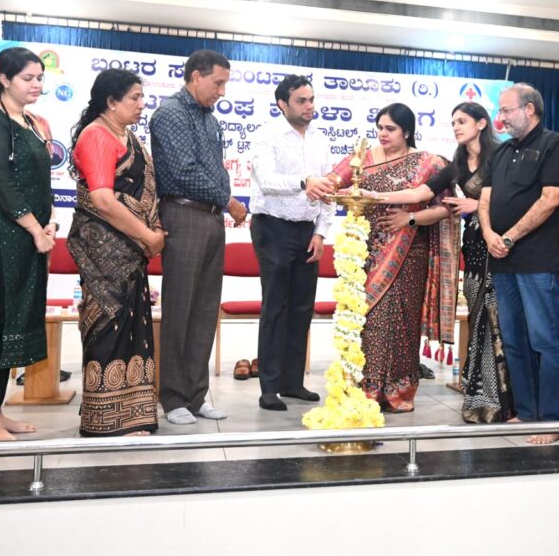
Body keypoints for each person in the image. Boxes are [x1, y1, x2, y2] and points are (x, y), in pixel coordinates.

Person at [364, 102, 512, 422]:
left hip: (502, 244)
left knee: (499, 322)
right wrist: (372, 197)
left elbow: (515, 198)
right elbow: (420, 193)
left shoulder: (501, 156)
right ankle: (480, 399)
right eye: (453, 121)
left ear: (482, 124)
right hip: (475, 247)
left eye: (462, 121)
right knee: (479, 323)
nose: (456, 127)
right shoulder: (457, 162)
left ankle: (507, 400)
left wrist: (477, 204)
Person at [327, 103, 458, 413]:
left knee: (400, 322)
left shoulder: (428, 163)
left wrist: (409, 219)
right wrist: (319, 185)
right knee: (368, 321)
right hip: (365, 251)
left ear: (407, 131)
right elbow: (333, 182)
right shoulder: (362, 158)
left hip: (409, 251)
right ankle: (365, 388)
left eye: (390, 129)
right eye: (379, 128)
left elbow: (446, 208)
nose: (382, 134)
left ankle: (399, 390)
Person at [149, 50, 247, 425]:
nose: (222, 91)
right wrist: (228, 201)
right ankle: (173, 397)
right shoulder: (171, 113)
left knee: (205, 311)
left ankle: (196, 394)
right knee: (180, 309)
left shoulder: (209, 118)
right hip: (183, 214)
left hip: (211, 217)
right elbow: (183, 171)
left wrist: (223, 202)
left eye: (225, 84)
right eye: (217, 83)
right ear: (195, 77)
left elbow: (214, 169)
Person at [67, 69, 165, 436]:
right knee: (109, 325)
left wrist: (150, 234)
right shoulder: (96, 135)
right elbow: (103, 200)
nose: (142, 105)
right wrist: (148, 235)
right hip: (104, 249)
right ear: (111, 102)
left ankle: (131, 413)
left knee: (130, 326)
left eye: (142, 97)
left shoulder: (127, 136)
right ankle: (104, 419)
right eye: (134, 98)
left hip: (130, 250)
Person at [478, 84, 559, 442]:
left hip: (536, 261)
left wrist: (509, 237)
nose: (500, 117)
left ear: (529, 109)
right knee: (514, 341)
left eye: (506, 110)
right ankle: (527, 412)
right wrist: (489, 234)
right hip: (502, 261)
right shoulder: (502, 151)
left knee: (545, 340)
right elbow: (485, 198)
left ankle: (551, 420)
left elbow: (550, 200)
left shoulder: (552, 144)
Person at [0, 47, 56, 442]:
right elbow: (0, 182)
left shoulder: (32, 121)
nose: (36, 84)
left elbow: (39, 180)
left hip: (29, 238)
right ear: (4, 79)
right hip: (3, 236)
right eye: (28, 78)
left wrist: (48, 222)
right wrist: (35, 228)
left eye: (40, 78)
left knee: (14, 326)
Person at [249, 75, 334, 412]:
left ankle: (292, 382)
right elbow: (267, 180)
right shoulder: (266, 135)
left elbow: (327, 190)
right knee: (276, 307)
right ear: (282, 104)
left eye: (311, 99)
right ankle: (269, 386)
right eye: (301, 100)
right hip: (273, 228)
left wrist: (320, 233)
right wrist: (304, 181)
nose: (309, 106)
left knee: (301, 307)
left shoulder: (320, 139)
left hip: (306, 232)